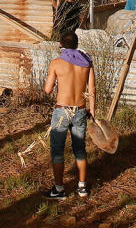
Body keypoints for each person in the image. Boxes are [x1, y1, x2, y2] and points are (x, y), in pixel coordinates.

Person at [43, 31, 96, 200]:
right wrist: (92, 110)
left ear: (61, 45)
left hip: (62, 111)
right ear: (76, 44)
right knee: (80, 149)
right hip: (80, 110)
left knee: (57, 150)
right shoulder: (87, 62)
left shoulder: (56, 63)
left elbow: (47, 89)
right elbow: (92, 90)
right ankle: (82, 187)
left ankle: (59, 189)